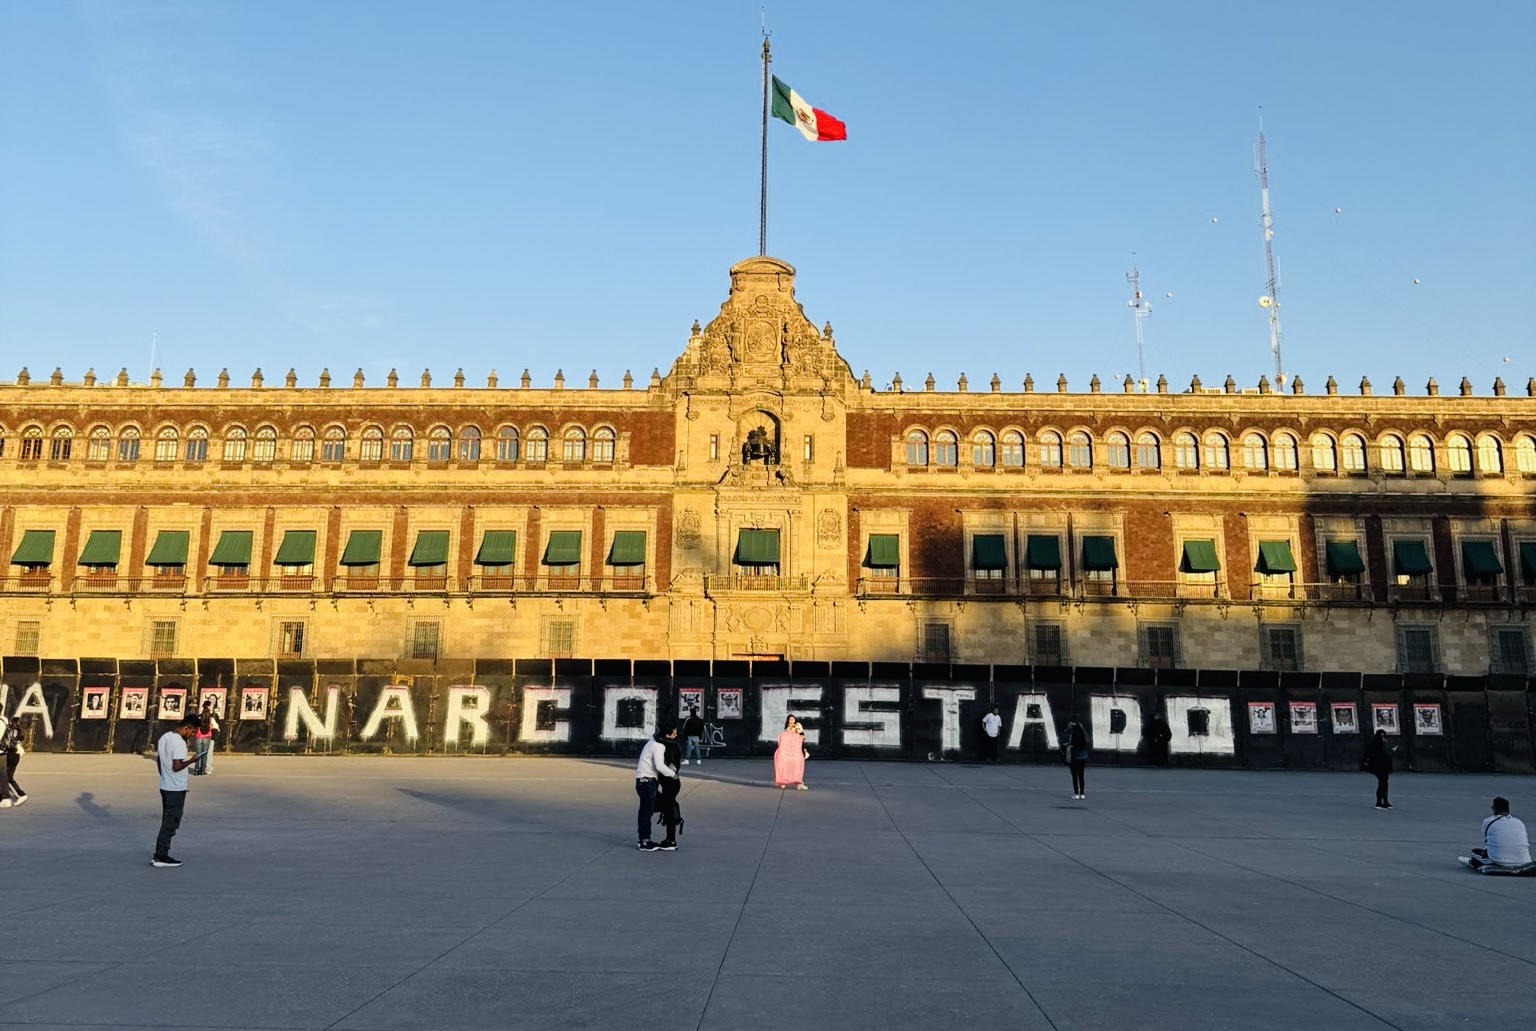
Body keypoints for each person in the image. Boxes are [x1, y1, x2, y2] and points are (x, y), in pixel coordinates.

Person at [153, 715, 202, 867]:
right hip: (175, 789)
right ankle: (161, 855)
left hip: (165, 787)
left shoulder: (164, 737)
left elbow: (160, 761)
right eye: (192, 732)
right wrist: (192, 760)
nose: (192, 735)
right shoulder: (179, 743)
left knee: (167, 820)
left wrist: (164, 778)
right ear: (186, 728)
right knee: (171, 822)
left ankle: (160, 854)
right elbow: (176, 766)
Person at [634, 725, 677, 852]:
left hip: (644, 781)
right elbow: (659, 766)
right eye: (673, 734)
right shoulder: (659, 746)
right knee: (646, 812)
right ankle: (645, 841)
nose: (675, 736)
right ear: (666, 735)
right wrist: (673, 774)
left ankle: (645, 839)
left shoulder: (652, 742)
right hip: (647, 781)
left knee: (650, 809)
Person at [1461, 797, 1532, 871]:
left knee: (1474, 853)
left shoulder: (1489, 821)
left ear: (1494, 808)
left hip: (1500, 862)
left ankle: (1472, 862)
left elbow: (1487, 842)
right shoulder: (1519, 822)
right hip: (1524, 861)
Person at [655, 728, 684, 851]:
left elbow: (673, 765)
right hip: (669, 783)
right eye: (674, 733)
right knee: (668, 808)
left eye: (676, 733)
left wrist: (672, 773)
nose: (676, 735)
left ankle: (671, 840)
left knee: (669, 810)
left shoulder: (671, 746)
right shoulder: (668, 745)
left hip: (671, 783)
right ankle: (670, 839)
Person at [774, 714, 809, 790]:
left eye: (793, 719)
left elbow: (802, 739)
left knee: (797, 766)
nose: (791, 721)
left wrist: (804, 749)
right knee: (784, 765)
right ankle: (782, 782)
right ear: (788, 721)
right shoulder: (785, 732)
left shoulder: (798, 729)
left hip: (796, 752)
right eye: (790, 719)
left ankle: (799, 783)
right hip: (786, 752)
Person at [1363, 729, 1395, 809]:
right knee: (1382, 784)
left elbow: (1387, 755)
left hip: (1384, 767)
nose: (1384, 738)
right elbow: (1373, 756)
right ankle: (1379, 802)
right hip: (1378, 767)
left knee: (1384, 784)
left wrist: (1392, 751)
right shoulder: (1374, 745)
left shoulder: (1383, 745)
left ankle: (1385, 801)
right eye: (1383, 737)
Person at [0, 712, 26, 808]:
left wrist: (2, 747)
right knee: (5, 777)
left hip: (10, 756)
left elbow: (7, 744)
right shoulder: (18, 731)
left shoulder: (10, 730)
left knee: (6, 778)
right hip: (14, 756)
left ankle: (20, 794)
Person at [1064, 715, 1089, 799]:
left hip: (1074, 758)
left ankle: (1076, 793)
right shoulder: (1082, 732)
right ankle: (1082, 793)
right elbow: (1086, 740)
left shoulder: (1072, 732)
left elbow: (1068, 740)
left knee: (1075, 776)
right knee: (1081, 775)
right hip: (1083, 757)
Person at [193, 699, 219, 775]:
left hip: (199, 736)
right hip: (207, 736)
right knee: (205, 754)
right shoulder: (211, 718)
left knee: (198, 753)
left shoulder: (199, 717)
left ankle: (196, 770)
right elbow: (216, 726)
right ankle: (202, 770)